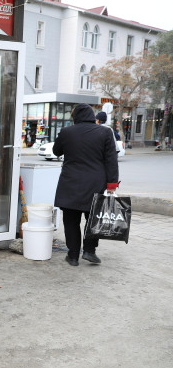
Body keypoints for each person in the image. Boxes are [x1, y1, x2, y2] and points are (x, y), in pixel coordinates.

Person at [53, 103, 119, 267]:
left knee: (71, 221)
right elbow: (111, 160)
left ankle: (73, 256)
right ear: (91, 115)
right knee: (93, 219)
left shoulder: (66, 132)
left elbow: (56, 151)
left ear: (75, 117)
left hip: (70, 183)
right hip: (96, 183)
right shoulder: (105, 132)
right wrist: (112, 183)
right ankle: (89, 251)